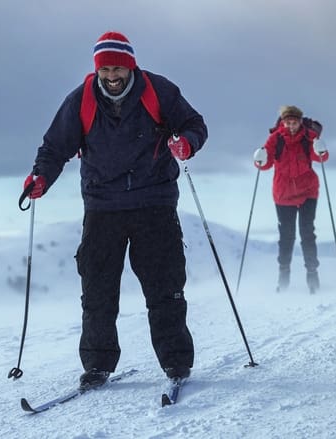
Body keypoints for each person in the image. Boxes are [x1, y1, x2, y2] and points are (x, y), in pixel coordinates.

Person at [22, 31, 208, 387]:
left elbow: (194, 124)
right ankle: (97, 365)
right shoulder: (81, 100)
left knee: (165, 286)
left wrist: (186, 144)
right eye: (105, 69)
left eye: (118, 68)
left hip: (154, 200)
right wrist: (40, 178)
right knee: (97, 288)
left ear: (130, 65)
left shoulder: (159, 91)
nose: (112, 76)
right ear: (97, 69)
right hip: (102, 205)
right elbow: (55, 146)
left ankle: (176, 363)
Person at [253, 105, 328, 293]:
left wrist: (322, 150)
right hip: (283, 195)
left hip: (308, 192)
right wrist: (259, 160)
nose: (291, 126)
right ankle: (283, 277)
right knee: (287, 236)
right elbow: (266, 164)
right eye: (288, 122)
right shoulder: (275, 139)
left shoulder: (309, 137)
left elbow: (319, 158)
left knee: (307, 233)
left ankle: (313, 276)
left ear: (300, 122)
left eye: (294, 122)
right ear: (283, 122)